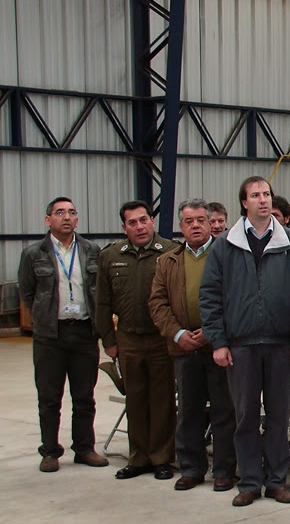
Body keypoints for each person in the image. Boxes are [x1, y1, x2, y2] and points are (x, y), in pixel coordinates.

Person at [200, 175, 290, 507]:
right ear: (244, 203)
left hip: (281, 345)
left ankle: (276, 481)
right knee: (245, 416)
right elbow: (210, 296)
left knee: (278, 416)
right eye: (256, 195)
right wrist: (218, 342)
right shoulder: (225, 245)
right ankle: (249, 481)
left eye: (267, 194)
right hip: (241, 345)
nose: (263, 200)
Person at [147, 199, 236, 492]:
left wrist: (212, 332)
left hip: (219, 347)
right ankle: (191, 468)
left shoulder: (227, 255)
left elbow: (236, 298)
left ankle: (224, 470)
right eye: (189, 221)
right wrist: (177, 334)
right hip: (184, 348)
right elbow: (157, 303)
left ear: (211, 223)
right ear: (181, 226)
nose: (195, 226)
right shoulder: (168, 261)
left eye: (200, 220)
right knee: (188, 411)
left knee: (224, 411)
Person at [18, 197, 108, 473]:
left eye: (71, 212)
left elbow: (98, 289)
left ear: (77, 219)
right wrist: (43, 317)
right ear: (48, 220)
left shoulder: (91, 250)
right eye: (60, 213)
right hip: (50, 336)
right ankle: (50, 451)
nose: (66, 217)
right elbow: (27, 292)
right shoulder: (34, 253)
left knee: (84, 396)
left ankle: (84, 448)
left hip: (84, 332)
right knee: (49, 397)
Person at [95, 200, 178, 481]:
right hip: (128, 339)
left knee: (162, 400)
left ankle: (162, 458)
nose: (139, 227)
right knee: (135, 400)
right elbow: (102, 301)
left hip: (161, 339)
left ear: (152, 221)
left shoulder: (170, 252)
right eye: (132, 223)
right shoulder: (110, 256)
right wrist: (109, 340)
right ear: (124, 227)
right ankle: (138, 457)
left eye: (144, 220)